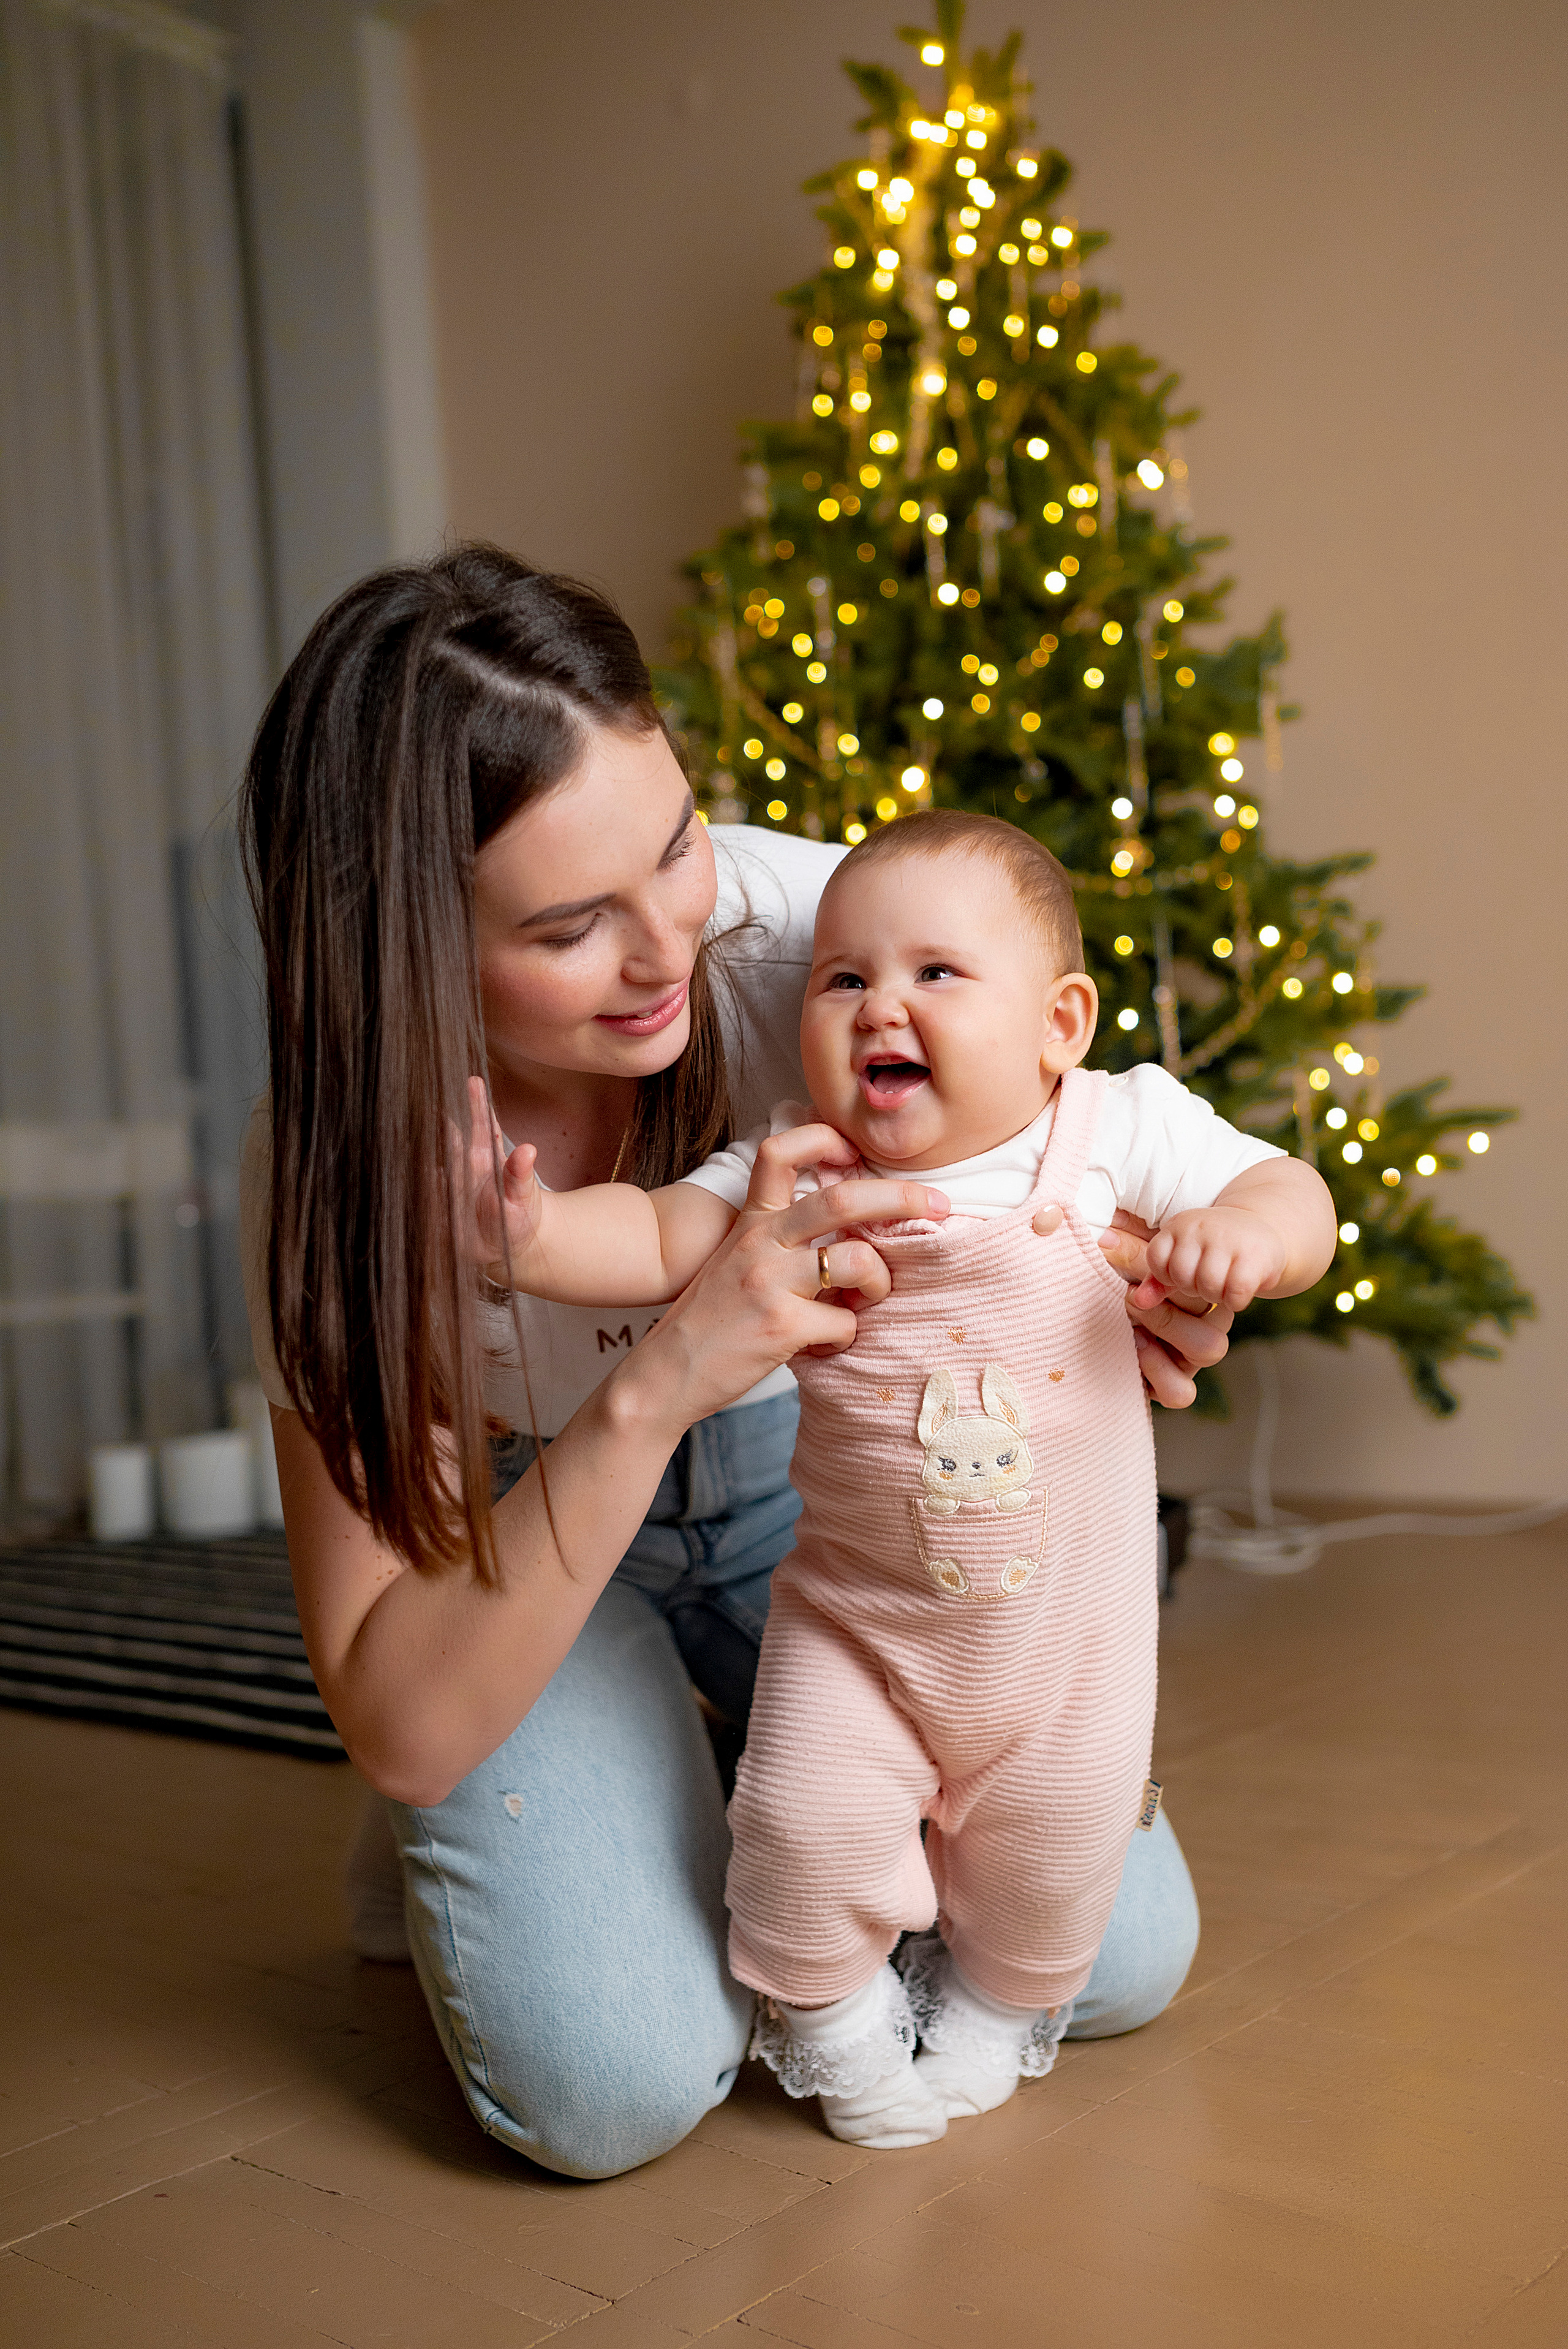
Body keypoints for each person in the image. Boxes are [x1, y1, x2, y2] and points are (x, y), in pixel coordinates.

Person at [239, 545, 1234, 2181]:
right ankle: (581, 1761)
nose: (668, 952)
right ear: (408, 946)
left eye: (676, 843)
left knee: (1109, 1957)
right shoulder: (340, 1167)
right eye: (572, 926)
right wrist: (662, 1375)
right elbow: (397, 1725)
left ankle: (704, 1773)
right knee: (610, 2087)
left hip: (836, 1491)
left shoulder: (839, 946)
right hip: (538, 1526)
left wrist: (1147, 1293)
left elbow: (1081, 1164)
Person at [472, 808, 1337, 2147]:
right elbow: (652, 1235)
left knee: (1061, 1858)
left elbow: (1295, 1193)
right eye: (843, 979)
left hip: (1066, 1648)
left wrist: (1243, 1237)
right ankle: (835, 2022)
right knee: (801, 1821)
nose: (881, 1005)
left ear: (1058, 1024)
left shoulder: (1116, 1128)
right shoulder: (805, 1162)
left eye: (935, 973)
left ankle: (988, 2017)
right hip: (853, 1624)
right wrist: (529, 1237)